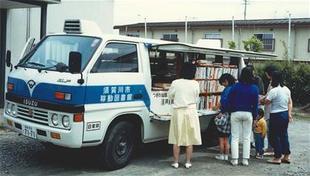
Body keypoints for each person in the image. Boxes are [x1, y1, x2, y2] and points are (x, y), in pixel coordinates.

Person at [167, 62, 202, 169]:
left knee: (176, 138)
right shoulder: (195, 83)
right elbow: (197, 97)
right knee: (189, 139)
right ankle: (187, 162)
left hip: (178, 112)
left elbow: (170, 95)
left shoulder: (175, 82)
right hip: (191, 111)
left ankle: (176, 162)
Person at [227, 66, 259, 166]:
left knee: (235, 137)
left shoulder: (235, 86)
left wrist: (230, 110)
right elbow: (255, 104)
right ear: (251, 75)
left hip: (235, 112)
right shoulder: (254, 88)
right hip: (248, 113)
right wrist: (255, 117)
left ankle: (235, 159)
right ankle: (245, 160)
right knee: (247, 137)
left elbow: (229, 99)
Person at [265, 71, 293, 164]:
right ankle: (286, 155)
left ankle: (277, 157)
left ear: (274, 79)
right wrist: (289, 114)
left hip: (276, 115)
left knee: (274, 136)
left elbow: (267, 102)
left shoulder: (274, 90)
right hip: (285, 114)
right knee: (284, 135)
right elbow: (289, 102)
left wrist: (261, 100)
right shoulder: (286, 89)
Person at [214, 73, 235, 161]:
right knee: (227, 138)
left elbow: (224, 102)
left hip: (225, 115)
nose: (222, 85)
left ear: (226, 81)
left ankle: (221, 155)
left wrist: (221, 111)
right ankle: (226, 155)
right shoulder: (234, 88)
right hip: (231, 115)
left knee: (221, 139)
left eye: (222, 83)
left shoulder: (227, 90)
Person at [262, 65, 277, 155]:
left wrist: (261, 100)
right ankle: (271, 148)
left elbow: (268, 97)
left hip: (270, 110)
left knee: (270, 130)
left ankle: (271, 149)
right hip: (271, 110)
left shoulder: (272, 84)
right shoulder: (273, 83)